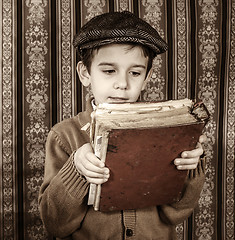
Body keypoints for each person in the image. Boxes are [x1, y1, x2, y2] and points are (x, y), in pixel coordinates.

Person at [38, 11, 206, 240]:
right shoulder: (64, 135)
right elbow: (55, 224)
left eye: (135, 73)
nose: (123, 84)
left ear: (146, 78)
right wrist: (76, 169)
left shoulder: (165, 130)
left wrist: (190, 166)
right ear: (85, 73)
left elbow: (175, 214)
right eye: (109, 71)